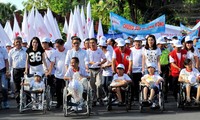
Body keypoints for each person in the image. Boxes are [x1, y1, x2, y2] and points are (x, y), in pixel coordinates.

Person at [8, 37, 27, 108]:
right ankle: (19, 102)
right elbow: (10, 63)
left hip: (24, 70)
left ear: (21, 42)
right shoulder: (11, 51)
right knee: (17, 87)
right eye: (17, 42)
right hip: (16, 70)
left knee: (26, 86)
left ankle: (26, 101)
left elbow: (28, 62)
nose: (18, 43)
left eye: (19, 42)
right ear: (14, 43)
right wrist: (9, 71)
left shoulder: (26, 50)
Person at [87, 38, 106, 106]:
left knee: (99, 84)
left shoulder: (99, 50)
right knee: (92, 86)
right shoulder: (87, 51)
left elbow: (105, 59)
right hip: (91, 70)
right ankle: (94, 99)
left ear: (96, 43)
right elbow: (86, 60)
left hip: (98, 69)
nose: (92, 44)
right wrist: (92, 62)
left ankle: (99, 98)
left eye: (93, 43)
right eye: (90, 43)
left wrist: (100, 63)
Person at [128, 35, 144, 100]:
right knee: (132, 84)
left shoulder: (143, 49)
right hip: (132, 70)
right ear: (134, 42)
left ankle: (138, 96)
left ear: (141, 42)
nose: (137, 43)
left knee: (139, 84)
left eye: (139, 42)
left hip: (140, 70)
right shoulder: (131, 50)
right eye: (136, 42)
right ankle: (132, 96)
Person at [54, 39, 68, 108]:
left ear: (62, 45)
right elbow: (52, 62)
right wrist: (49, 71)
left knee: (67, 89)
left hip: (66, 74)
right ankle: (59, 102)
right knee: (58, 89)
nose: (57, 48)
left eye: (59, 46)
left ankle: (66, 102)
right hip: (58, 74)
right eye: (56, 46)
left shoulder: (68, 51)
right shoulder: (55, 52)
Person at [157, 37, 170, 102]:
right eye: (160, 44)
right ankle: (157, 96)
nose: (161, 45)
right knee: (157, 82)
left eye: (162, 44)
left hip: (165, 68)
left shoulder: (167, 51)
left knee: (165, 82)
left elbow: (169, 60)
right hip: (157, 68)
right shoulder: (155, 50)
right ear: (157, 44)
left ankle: (164, 97)